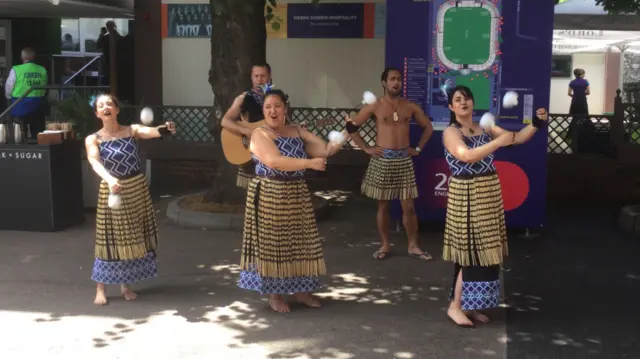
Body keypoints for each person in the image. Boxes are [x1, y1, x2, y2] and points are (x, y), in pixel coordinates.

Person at [442, 85, 547, 327]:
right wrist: (497, 142)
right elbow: (465, 155)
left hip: (488, 193)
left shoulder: (485, 126)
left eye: (466, 97)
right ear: (451, 107)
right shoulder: (451, 131)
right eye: (457, 99)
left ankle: (469, 305)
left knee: (486, 251)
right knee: (469, 252)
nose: (463, 102)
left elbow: (517, 138)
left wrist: (537, 123)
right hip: (466, 195)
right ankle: (455, 306)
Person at [237, 89, 347, 313]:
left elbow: (326, 150)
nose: (272, 111)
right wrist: (309, 164)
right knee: (273, 245)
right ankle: (274, 295)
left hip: (296, 193)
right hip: (270, 194)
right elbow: (274, 161)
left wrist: (348, 130)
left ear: (285, 109)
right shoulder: (260, 134)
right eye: (268, 107)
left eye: (277, 106)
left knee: (301, 242)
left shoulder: (297, 130)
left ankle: (301, 292)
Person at [85, 94, 176, 306]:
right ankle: (101, 287)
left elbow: (151, 131)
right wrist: (109, 179)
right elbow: (94, 161)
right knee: (109, 240)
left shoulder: (131, 130)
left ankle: (126, 285)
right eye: (101, 106)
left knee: (132, 238)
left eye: (109, 104)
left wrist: (165, 128)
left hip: (136, 189)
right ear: (97, 113)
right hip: (112, 191)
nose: (106, 107)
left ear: (117, 109)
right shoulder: (93, 139)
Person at [346, 67, 434, 261]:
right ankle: (385, 244)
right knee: (383, 206)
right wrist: (366, 148)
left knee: (409, 207)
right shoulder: (375, 105)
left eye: (399, 79)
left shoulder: (409, 106)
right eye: (393, 79)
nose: (397, 82)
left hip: (404, 159)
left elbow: (428, 127)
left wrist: (418, 148)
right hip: (382, 159)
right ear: (384, 83)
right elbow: (351, 126)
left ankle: (413, 245)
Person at [221, 63, 273, 189]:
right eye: (256, 76)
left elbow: (285, 124)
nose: (259, 79)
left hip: (271, 151)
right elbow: (225, 121)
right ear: (251, 77)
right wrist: (245, 131)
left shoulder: (278, 99)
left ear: (269, 77)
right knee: (252, 199)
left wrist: (297, 128)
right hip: (250, 152)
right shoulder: (243, 98)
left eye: (263, 76)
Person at [4, 47, 48, 140]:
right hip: (37, 105)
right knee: (38, 133)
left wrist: (8, 96)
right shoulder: (42, 70)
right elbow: (44, 86)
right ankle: (39, 148)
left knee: (18, 131)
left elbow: (9, 86)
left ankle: (21, 147)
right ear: (34, 57)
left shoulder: (16, 69)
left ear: (22, 57)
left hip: (19, 104)